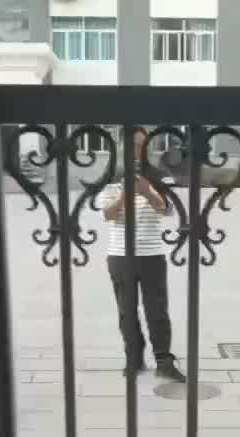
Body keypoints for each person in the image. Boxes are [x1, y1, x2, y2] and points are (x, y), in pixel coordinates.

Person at [98, 128, 186, 383]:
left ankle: (164, 361)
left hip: (152, 254)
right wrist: (125, 195)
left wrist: (147, 192)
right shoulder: (112, 176)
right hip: (120, 254)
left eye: (142, 145)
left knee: (157, 311)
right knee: (126, 311)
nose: (137, 150)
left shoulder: (158, 175)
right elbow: (107, 215)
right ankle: (134, 357)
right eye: (132, 145)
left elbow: (167, 211)